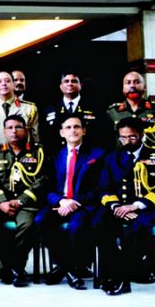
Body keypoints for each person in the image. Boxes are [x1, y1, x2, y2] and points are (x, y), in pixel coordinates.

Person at [37, 114, 105, 290]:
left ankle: (66, 269)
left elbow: (99, 187)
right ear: (61, 133)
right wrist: (60, 201)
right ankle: (69, 270)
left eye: (76, 127)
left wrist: (74, 201)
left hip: (83, 205)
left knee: (77, 226)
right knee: (41, 221)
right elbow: (47, 186)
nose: (73, 130)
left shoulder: (97, 154)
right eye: (68, 127)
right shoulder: (54, 156)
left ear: (84, 131)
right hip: (59, 204)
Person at [0, 115, 48, 288]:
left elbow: (43, 180)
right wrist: (2, 202)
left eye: (18, 127)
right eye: (9, 128)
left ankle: (15, 267)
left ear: (25, 130)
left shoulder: (38, 151)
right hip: (0, 203)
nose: (14, 131)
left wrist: (20, 201)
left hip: (26, 203)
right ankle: (6, 267)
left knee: (27, 225)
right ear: (4, 131)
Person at [95, 117, 155, 295]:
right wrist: (115, 206)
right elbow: (103, 188)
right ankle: (108, 273)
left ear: (141, 135)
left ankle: (123, 280)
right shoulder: (112, 157)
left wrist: (136, 206)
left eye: (132, 137)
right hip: (119, 207)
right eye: (123, 137)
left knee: (132, 229)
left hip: (149, 208)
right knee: (99, 223)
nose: (127, 141)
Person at [0, 72, 39, 154]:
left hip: (20, 162)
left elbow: (36, 140)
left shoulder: (29, 109)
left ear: (14, 85)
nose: (4, 84)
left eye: (7, 81)